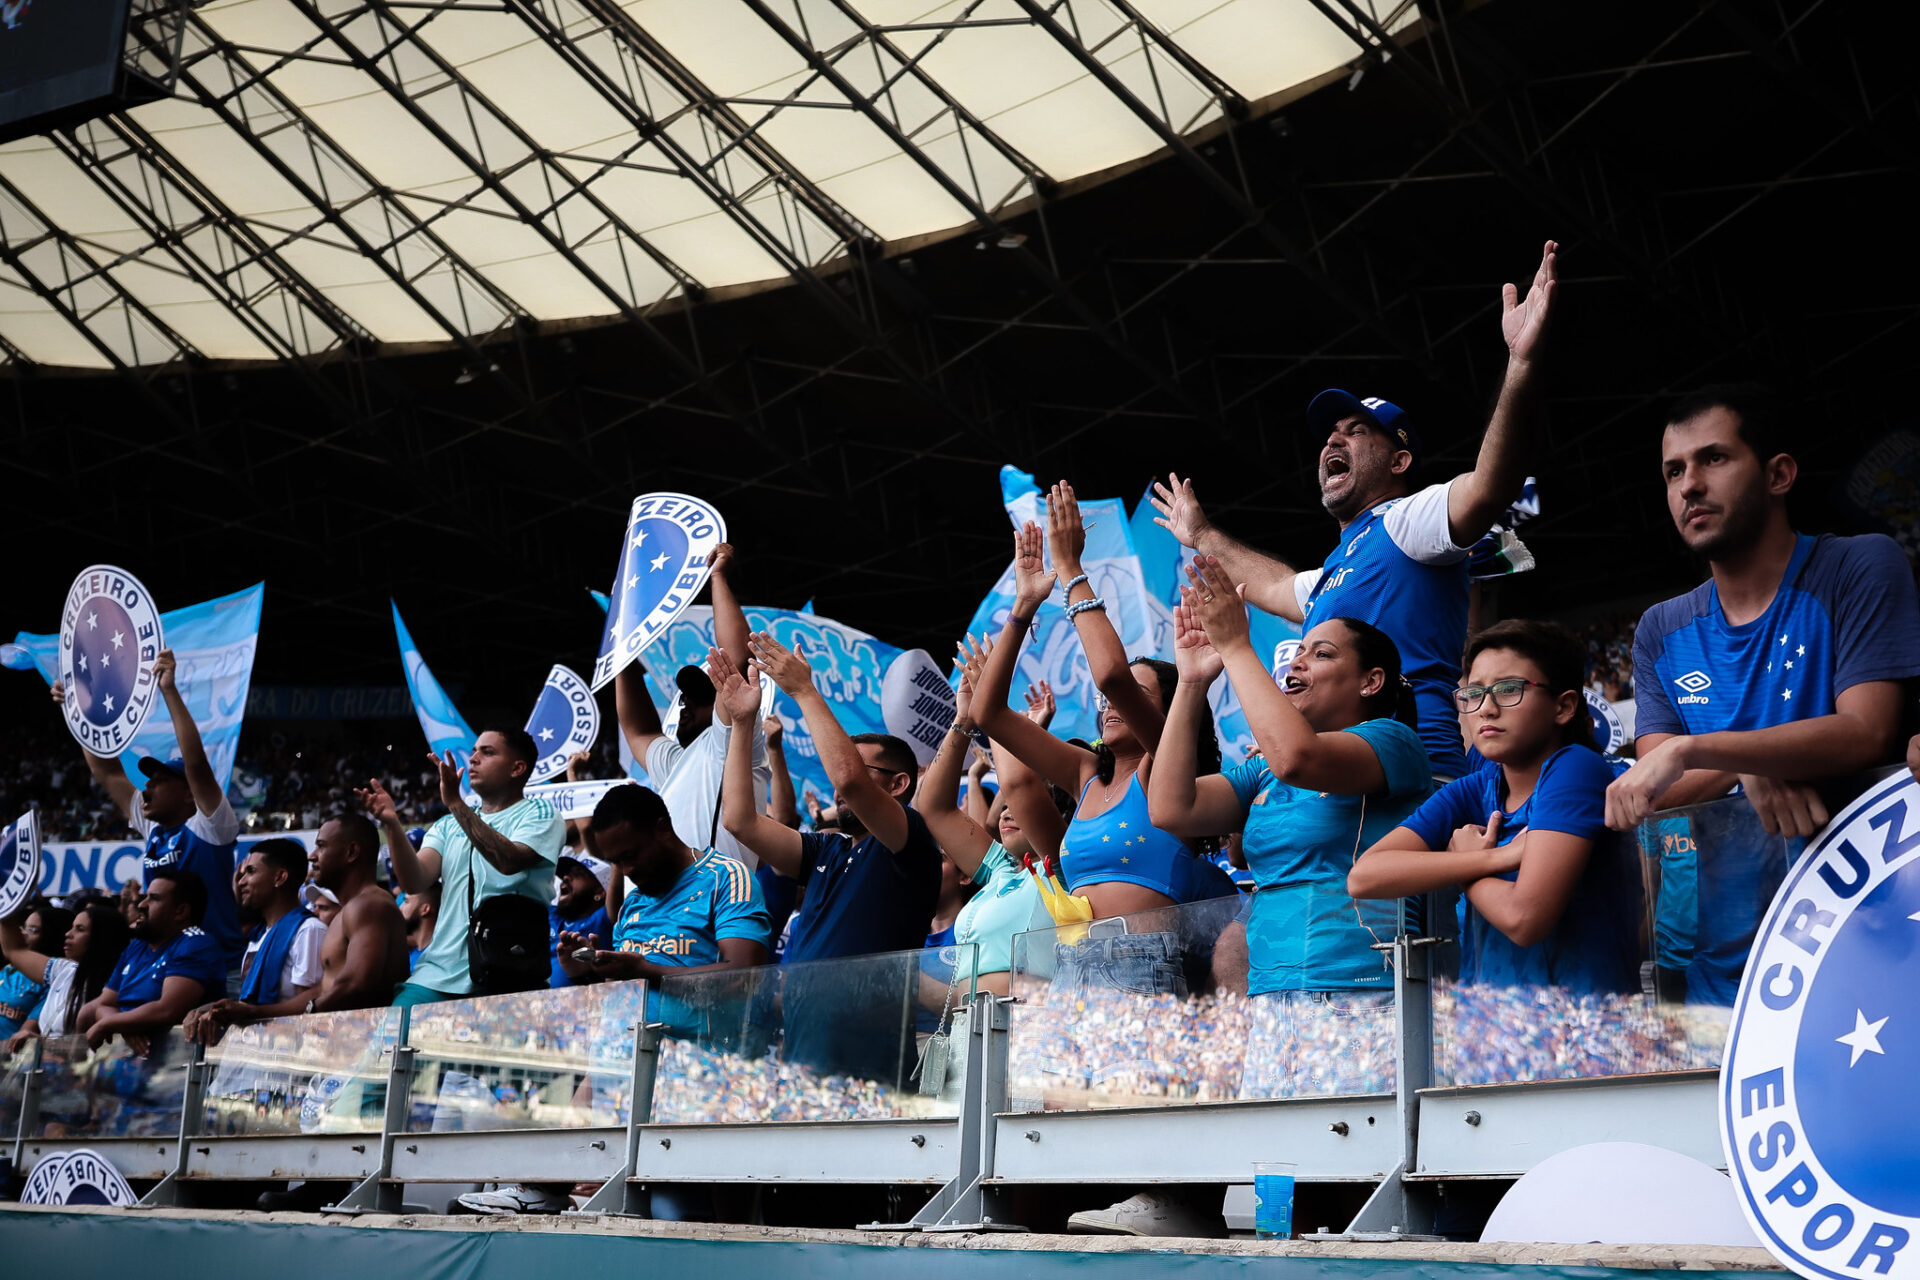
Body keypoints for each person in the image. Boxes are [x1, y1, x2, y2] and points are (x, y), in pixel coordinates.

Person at [1148, 242, 1559, 781]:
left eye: (1356, 431)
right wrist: (1201, 532)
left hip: (1415, 779)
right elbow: (1275, 586)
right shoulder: (1340, 569)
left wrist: (1521, 365)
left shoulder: (1409, 522)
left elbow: (1489, 487)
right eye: (1329, 435)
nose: (1332, 442)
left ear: (1400, 459)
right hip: (1343, 776)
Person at [1602, 385, 1920, 1007]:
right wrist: (1746, 762)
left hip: (1867, 949)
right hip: (1724, 980)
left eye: (1713, 459)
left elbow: (1867, 731)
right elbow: (1658, 786)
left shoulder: (1858, 567)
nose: (1689, 485)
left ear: (1778, 474)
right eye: (1674, 471)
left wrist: (1707, 752)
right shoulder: (1661, 629)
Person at [1152, 562, 1433, 1093]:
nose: (1299, 661)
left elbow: (1297, 759)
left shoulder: (1393, 741)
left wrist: (1238, 647)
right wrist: (1191, 683)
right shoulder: (1264, 767)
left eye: (1322, 653)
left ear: (1371, 682)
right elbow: (1172, 808)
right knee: (1278, 1169)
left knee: (1345, 1165)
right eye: (1299, 650)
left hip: (1359, 989)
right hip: (1270, 990)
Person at [970, 499, 1234, 930]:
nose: (1111, 703)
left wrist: (1071, 569)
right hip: (1075, 969)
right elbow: (988, 713)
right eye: (1110, 701)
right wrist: (1024, 605)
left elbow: (1111, 676)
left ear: (1171, 712)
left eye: (1138, 694)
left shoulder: (1164, 761)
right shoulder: (1087, 773)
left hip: (1142, 964)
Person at [1348, 620, 1639, 998]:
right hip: (1493, 1034)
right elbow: (1365, 877)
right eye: (1472, 693)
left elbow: (1524, 918)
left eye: (1508, 690)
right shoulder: (1476, 787)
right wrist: (1493, 860)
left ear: (1564, 706)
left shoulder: (1576, 767)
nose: (1485, 708)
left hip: (1578, 1037)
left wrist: (1466, 871)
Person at [711, 639, 941, 1085]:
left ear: (897, 784)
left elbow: (849, 780)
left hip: (867, 1071)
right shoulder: (827, 849)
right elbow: (740, 820)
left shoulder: (909, 841)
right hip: (800, 1059)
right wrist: (743, 724)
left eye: (859, 765)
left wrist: (804, 691)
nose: (837, 787)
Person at [53, 649, 245, 960]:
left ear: (187, 794)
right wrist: (79, 710)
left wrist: (168, 689)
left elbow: (196, 764)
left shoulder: (210, 827)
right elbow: (107, 770)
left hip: (217, 968)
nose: (146, 787)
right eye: (147, 781)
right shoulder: (153, 827)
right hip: (161, 964)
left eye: (158, 780)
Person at [360, 728, 564, 1006]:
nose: (474, 759)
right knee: (392, 1041)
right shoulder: (447, 824)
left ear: (517, 768)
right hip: (436, 975)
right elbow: (415, 881)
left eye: (488, 752)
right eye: (474, 752)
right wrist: (392, 824)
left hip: (510, 973)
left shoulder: (540, 813)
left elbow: (509, 861)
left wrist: (455, 802)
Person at [915, 635, 1060, 998]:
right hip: (970, 1038)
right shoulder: (999, 870)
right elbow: (933, 807)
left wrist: (989, 706)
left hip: (1029, 1034)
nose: (1008, 810)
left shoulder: (1060, 865)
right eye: (1006, 805)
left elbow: (1018, 784)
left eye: (1021, 805)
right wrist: (964, 720)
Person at [613, 543, 771, 870]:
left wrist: (717, 577)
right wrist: (622, 645)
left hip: (713, 909)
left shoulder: (731, 743)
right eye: (684, 699)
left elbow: (737, 658)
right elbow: (638, 729)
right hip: (662, 916)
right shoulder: (677, 763)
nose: (686, 705)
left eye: (699, 700)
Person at [183, 839, 325, 1042]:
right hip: (253, 1052)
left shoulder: (309, 930)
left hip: (288, 1055)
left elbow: (311, 1005)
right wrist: (211, 1009)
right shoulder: (258, 936)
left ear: (279, 877)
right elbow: (250, 1002)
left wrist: (249, 1012)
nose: (241, 882)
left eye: (251, 871)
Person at [77, 867, 229, 1048]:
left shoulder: (197, 943)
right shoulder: (136, 946)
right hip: (135, 1064)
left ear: (180, 911)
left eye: (154, 898)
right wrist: (124, 1026)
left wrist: (108, 1023)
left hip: (178, 1063)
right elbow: (103, 1005)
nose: (142, 904)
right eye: (145, 896)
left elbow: (167, 1010)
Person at [307, 812, 411, 1011]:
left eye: (321, 846)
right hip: (348, 1034)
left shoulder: (369, 904)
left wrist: (308, 1015)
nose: (312, 856)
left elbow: (355, 983)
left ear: (352, 852)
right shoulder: (349, 910)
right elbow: (325, 989)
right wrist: (257, 1012)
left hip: (365, 1036)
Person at [1, 900, 132, 1053]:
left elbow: (100, 1050)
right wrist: (7, 900)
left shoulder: (117, 989)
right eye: (71, 927)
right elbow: (13, 950)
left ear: (101, 937)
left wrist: (41, 1043)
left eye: (80, 929)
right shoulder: (65, 970)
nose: (68, 934)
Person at [0, 901, 69, 1040]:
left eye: (33, 930)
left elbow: (24, 1035)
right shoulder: (8, 969)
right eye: (24, 927)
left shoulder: (54, 982)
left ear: (51, 936)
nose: (24, 934)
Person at [548, 852, 613, 989]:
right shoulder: (551, 914)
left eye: (578, 874)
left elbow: (615, 899)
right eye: (566, 874)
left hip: (579, 1004)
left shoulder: (603, 919)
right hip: (530, 1004)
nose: (565, 878)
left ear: (600, 892)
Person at [402, 879, 440, 973]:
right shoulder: (410, 952)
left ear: (425, 909)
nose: (400, 907)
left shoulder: (432, 963)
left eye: (406, 902)